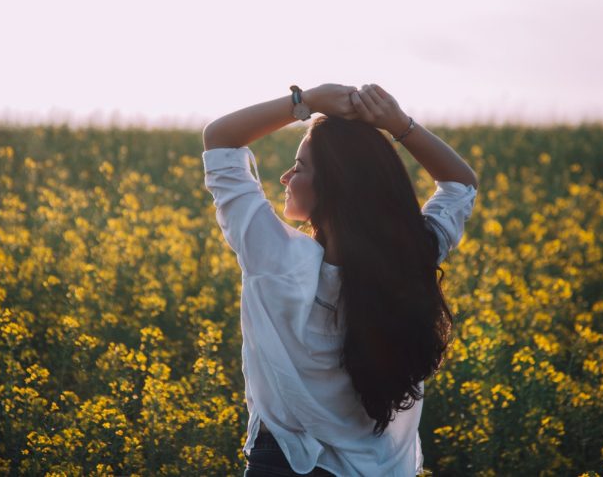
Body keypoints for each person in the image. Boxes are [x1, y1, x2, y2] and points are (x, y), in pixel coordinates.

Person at [201, 83, 479, 476]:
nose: (284, 177)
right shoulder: (412, 257)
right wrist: (399, 124)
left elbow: (220, 139)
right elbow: (461, 184)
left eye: (298, 168)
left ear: (332, 186)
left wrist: (306, 101)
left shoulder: (275, 258)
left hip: (285, 464)